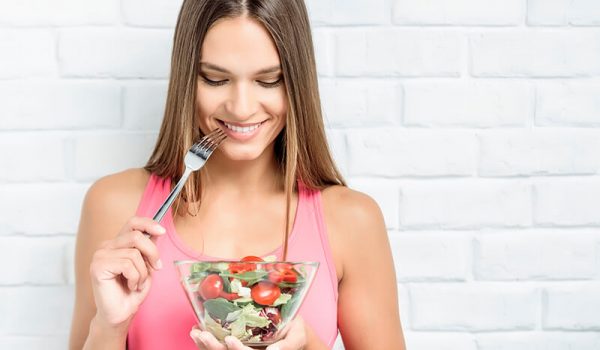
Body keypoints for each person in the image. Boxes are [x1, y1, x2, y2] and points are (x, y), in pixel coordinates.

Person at [69, 0, 405, 349]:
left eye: (269, 80)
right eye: (215, 79)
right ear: (187, 79)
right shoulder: (115, 206)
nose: (241, 108)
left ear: (297, 82)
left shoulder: (352, 220)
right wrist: (110, 326)